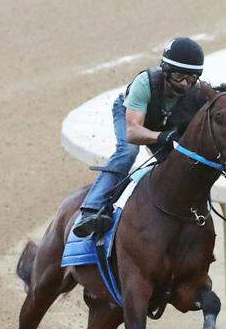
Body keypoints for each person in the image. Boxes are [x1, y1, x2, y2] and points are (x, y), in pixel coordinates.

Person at [72, 37, 206, 239]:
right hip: (132, 116)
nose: (185, 84)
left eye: (191, 78)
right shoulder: (145, 83)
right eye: (179, 76)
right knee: (128, 151)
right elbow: (133, 132)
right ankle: (91, 209)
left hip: (162, 121)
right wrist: (162, 137)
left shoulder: (195, 91)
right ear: (166, 71)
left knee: (178, 162)